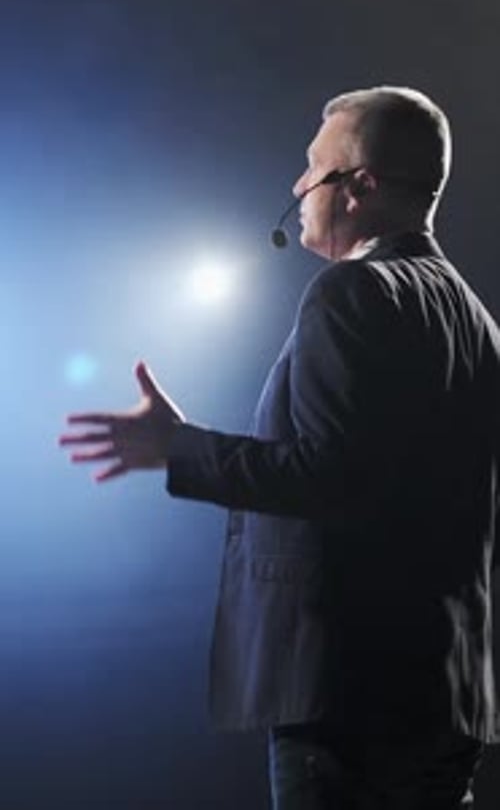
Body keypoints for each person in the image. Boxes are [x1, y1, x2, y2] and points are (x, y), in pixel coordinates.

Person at [60, 86, 500, 809]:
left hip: (347, 702)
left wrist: (178, 448)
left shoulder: (350, 292)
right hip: (447, 698)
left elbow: (332, 475)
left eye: (311, 167)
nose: (296, 187)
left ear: (359, 187)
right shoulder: (477, 320)